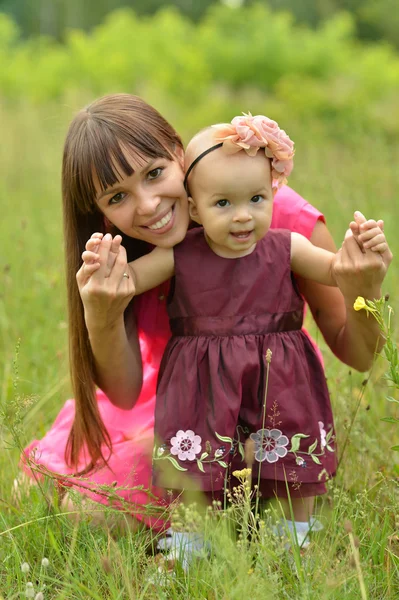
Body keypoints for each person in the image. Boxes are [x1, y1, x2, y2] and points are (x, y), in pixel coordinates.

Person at [20, 95, 391, 539]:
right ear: (101, 212)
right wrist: (100, 313)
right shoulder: (129, 256)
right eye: (118, 196)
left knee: (91, 511)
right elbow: (122, 392)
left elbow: (360, 354)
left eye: (155, 173)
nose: (148, 206)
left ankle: (247, 504)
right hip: (177, 406)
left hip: (265, 409)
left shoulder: (276, 219)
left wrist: (364, 289)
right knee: (32, 489)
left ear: (180, 153)